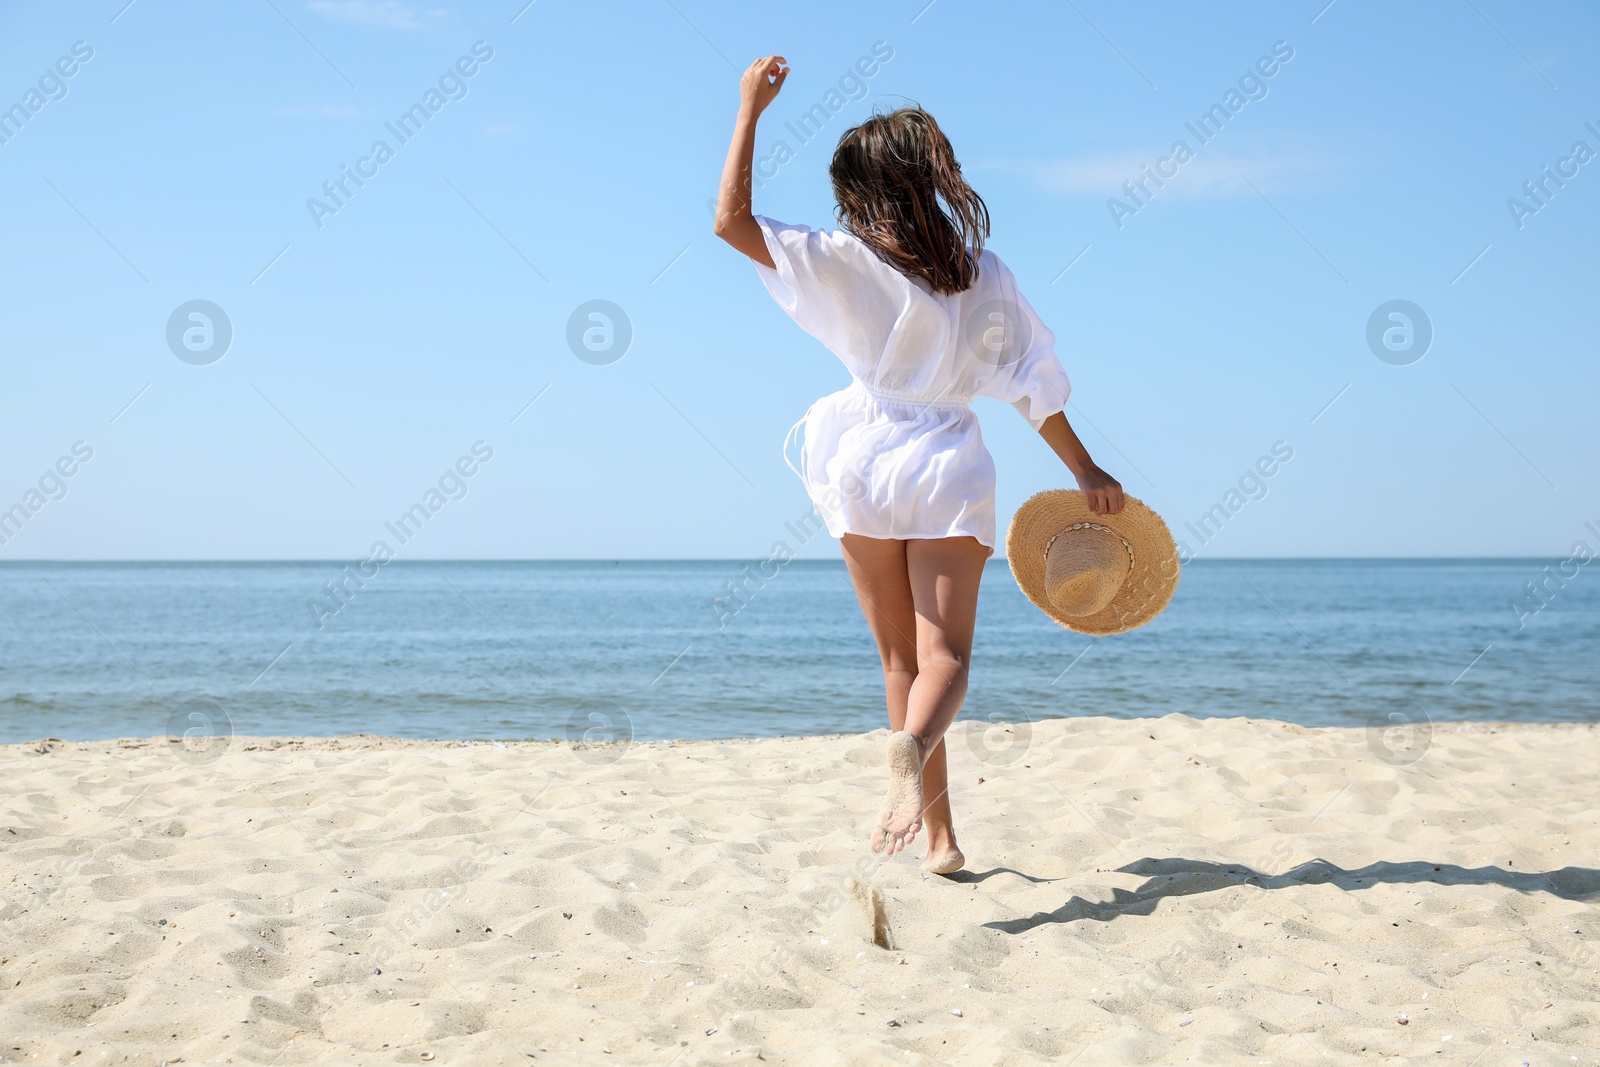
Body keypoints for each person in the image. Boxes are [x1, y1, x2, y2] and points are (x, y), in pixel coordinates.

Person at [714, 56, 1125, 874]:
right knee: (948, 663)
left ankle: (940, 837)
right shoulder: (982, 274)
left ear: (860, 194)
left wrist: (747, 113)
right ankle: (921, 794)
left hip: (860, 457)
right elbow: (1032, 388)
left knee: (900, 664)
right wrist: (1087, 471)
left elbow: (730, 222)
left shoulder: (840, 257)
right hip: (944, 462)